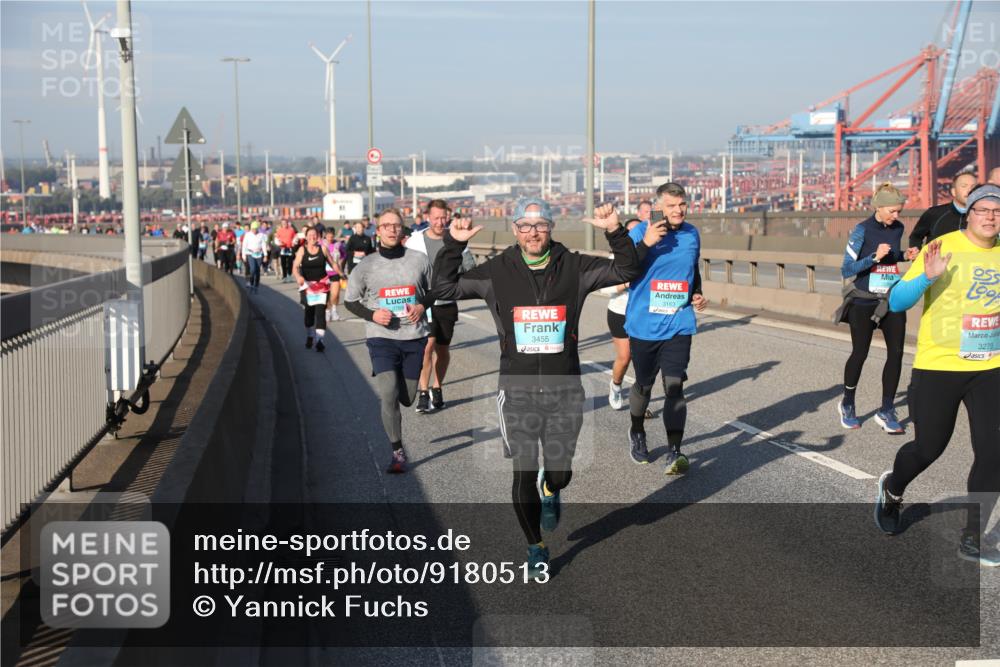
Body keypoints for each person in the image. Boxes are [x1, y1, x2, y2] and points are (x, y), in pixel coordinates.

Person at [434, 197, 641, 578]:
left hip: (564, 388)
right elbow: (443, 289)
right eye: (525, 226)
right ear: (515, 230)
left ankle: (553, 487)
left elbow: (628, 268)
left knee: (560, 473)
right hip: (517, 389)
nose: (533, 233)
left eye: (541, 226)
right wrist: (453, 246)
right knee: (523, 472)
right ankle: (535, 547)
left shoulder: (575, 267)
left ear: (551, 228)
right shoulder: (497, 271)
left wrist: (615, 230)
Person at [875, 183, 1000, 567]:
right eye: (983, 210)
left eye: (997, 211)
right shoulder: (943, 246)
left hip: (989, 368)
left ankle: (972, 538)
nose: (991, 217)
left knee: (994, 453)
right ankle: (893, 488)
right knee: (929, 448)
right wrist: (927, 277)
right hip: (939, 366)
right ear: (969, 214)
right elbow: (897, 301)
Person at [624, 183, 708, 471]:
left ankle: (675, 451)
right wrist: (646, 243)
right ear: (658, 207)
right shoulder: (640, 232)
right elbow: (625, 269)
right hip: (644, 325)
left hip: (678, 322)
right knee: (644, 385)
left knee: (674, 385)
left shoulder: (691, 234)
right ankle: (637, 430)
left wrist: (696, 292)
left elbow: (691, 269)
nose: (679, 210)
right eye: (671, 205)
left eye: (682, 204)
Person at [344, 209, 435, 474]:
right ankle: (397, 452)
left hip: (414, 336)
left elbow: (435, 290)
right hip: (381, 337)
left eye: (396, 225)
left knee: (407, 397)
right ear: (378, 230)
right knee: (388, 392)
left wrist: (421, 306)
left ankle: (406, 398)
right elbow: (350, 301)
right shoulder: (366, 265)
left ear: (402, 229)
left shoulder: (419, 260)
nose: (392, 230)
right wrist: (372, 314)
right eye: (386, 225)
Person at [834, 183, 908, 433]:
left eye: (899, 211)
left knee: (896, 353)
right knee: (860, 353)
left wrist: (905, 255)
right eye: (892, 211)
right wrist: (873, 257)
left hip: (891, 299)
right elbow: (847, 269)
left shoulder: (898, 228)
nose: (896, 216)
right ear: (878, 207)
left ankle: (887, 409)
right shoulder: (861, 230)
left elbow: (891, 257)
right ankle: (847, 403)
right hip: (863, 301)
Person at [406, 200, 475, 413]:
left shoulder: (455, 237)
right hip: (423, 303)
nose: (440, 221)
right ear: (428, 217)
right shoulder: (415, 241)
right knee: (427, 347)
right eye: (436, 218)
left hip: (446, 303)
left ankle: (437, 387)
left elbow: (470, 267)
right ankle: (423, 392)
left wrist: (455, 270)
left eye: (443, 217)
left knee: (442, 350)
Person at [603, 218, 652, 419]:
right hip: (619, 312)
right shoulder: (615, 257)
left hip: (643, 314)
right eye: (630, 232)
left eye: (639, 231)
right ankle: (616, 385)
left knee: (644, 360)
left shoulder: (651, 255)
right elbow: (605, 289)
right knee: (625, 357)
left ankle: (640, 401)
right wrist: (626, 283)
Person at [907, 172, 978, 256]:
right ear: (953, 192)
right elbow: (916, 237)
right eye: (964, 186)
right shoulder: (934, 213)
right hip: (938, 263)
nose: (969, 190)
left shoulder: (984, 217)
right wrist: (916, 257)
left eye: (973, 187)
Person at [292, 226, 338, 353]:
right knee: (309, 316)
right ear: (306, 237)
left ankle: (319, 341)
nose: (312, 237)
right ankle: (310, 335)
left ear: (318, 237)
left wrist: (340, 273)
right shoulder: (302, 250)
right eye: (310, 235)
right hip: (307, 287)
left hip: (322, 285)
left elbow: (333, 263)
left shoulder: (323, 249)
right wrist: (298, 277)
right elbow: (295, 267)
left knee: (320, 313)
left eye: (315, 235)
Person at [322, 228, 346, 321]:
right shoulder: (321, 244)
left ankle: (334, 311)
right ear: (325, 235)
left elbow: (344, 254)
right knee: (327, 294)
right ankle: (327, 312)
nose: (330, 238)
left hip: (336, 272)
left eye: (331, 236)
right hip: (324, 273)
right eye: (328, 236)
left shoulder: (338, 244)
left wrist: (341, 262)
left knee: (335, 294)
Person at [241, 221, 269, 294]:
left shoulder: (261, 235)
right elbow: (244, 245)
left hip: (259, 254)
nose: (254, 230)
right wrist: (243, 255)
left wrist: (265, 255)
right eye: (252, 229)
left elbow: (263, 245)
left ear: (257, 229)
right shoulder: (247, 235)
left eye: (255, 229)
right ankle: (251, 283)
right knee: (252, 269)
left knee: (257, 270)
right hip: (250, 253)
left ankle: (256, 285)